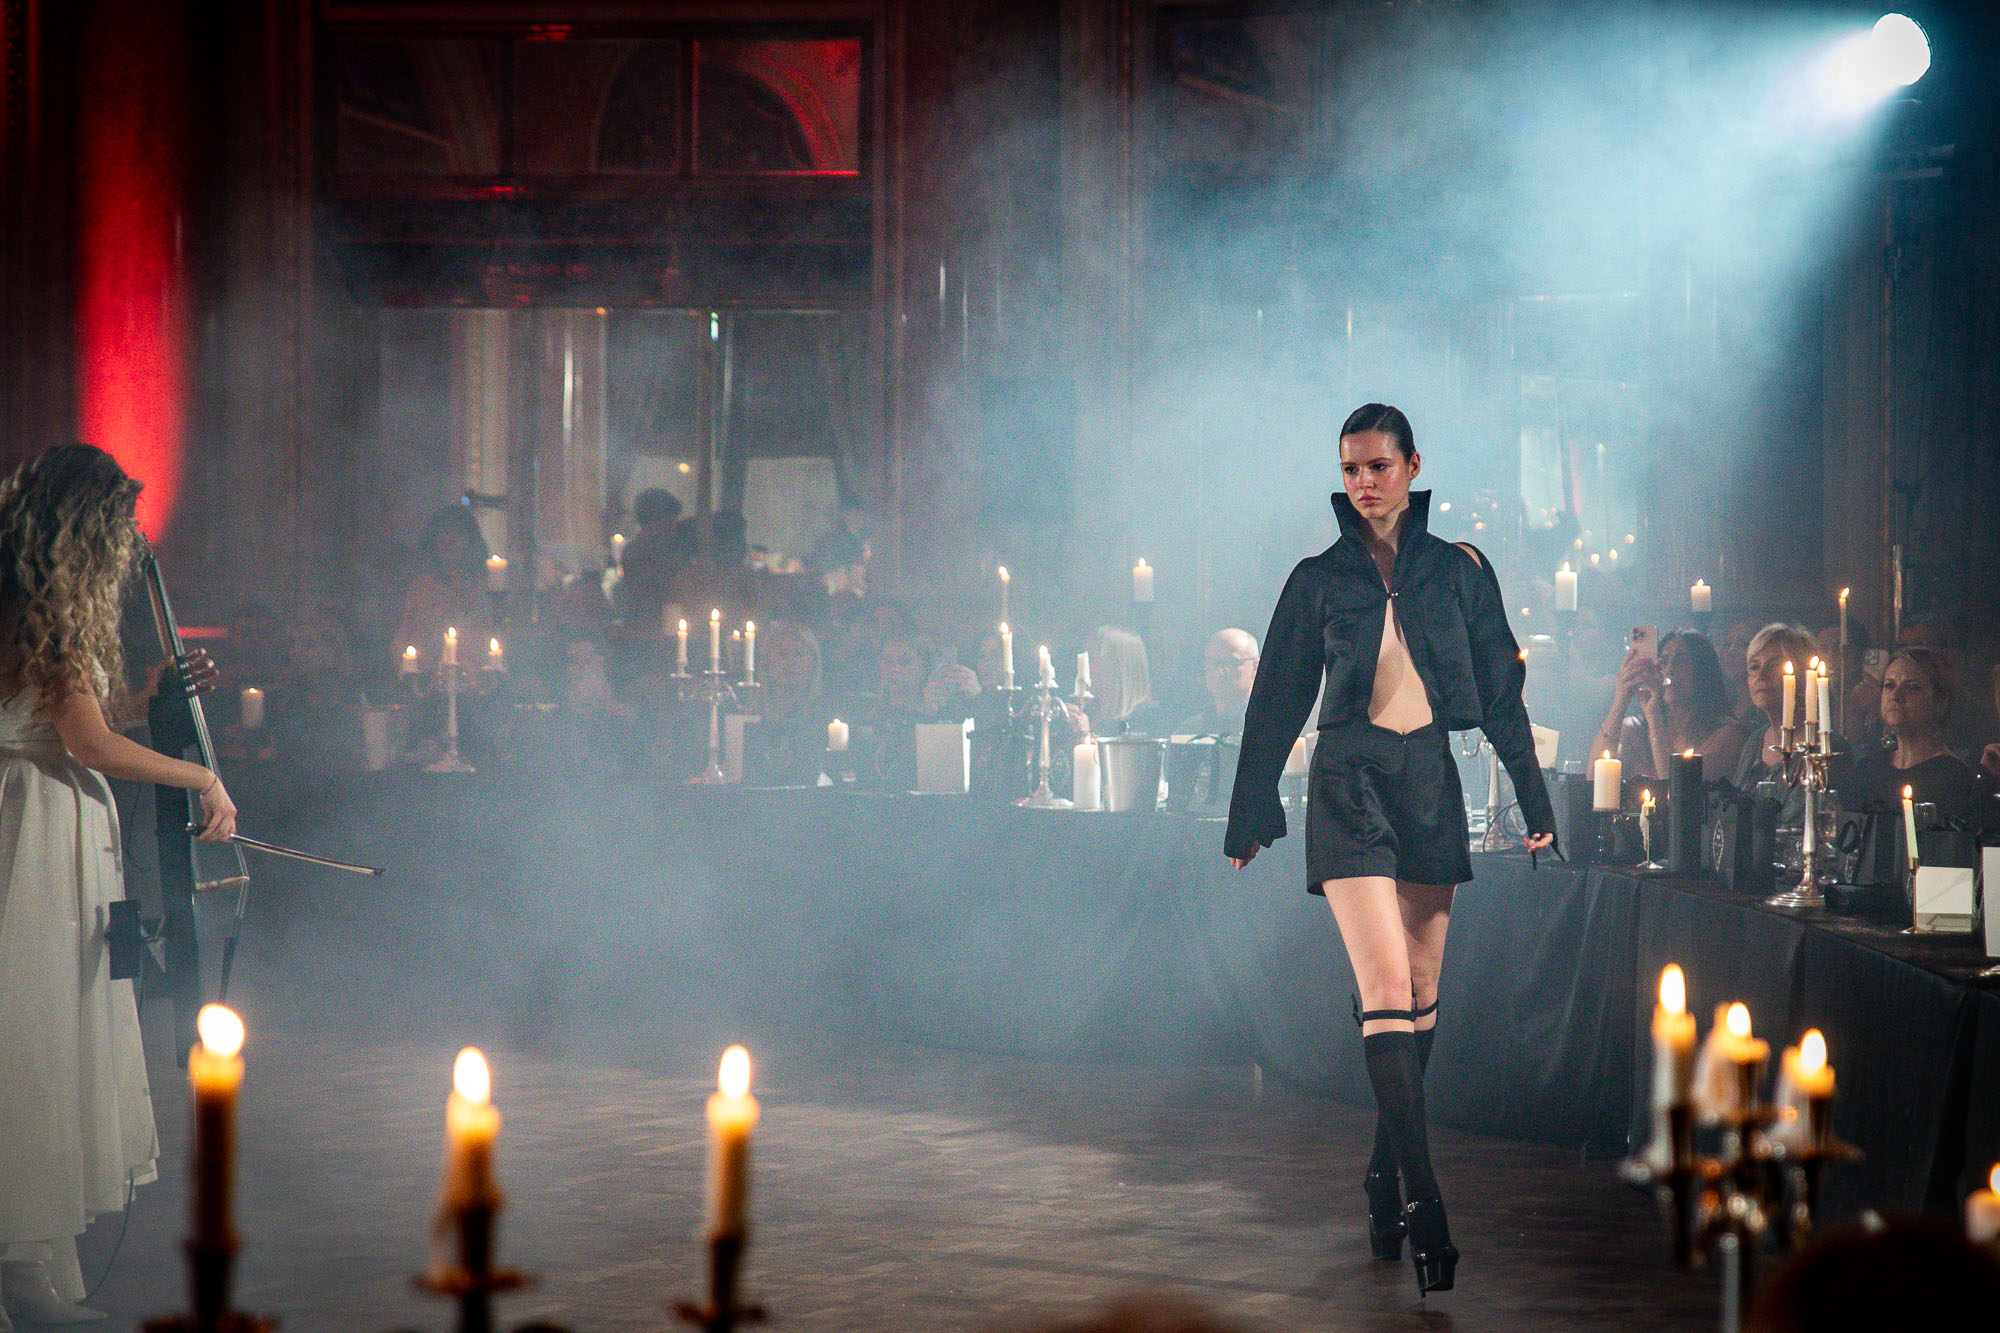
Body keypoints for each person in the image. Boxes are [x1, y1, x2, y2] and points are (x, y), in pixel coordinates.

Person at [1225, 404, 1556, 1297]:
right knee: (1383, 990)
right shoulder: (1316, 578)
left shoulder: (1458, 569)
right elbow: (1276, 697)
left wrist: (1535, 800)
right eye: (1350, 468)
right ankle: (1425, 1201)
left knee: (1417, 993)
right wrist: (1249, 812)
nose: (1363, 482)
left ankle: (1382, 1172)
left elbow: (1502, 691)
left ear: (1412, 464)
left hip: (1429, 783)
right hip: (1348, 783)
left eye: (1378, 465)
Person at [0, 445, 236, 1326]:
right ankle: (21, 1263)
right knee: (31, 1030)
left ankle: (36, 1255)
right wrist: (200, 776)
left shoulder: (26, 603)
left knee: (43, 1026)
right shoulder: (43, 614)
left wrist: (147, 698)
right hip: (31, 830)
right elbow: (86, 743)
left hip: (41, 818)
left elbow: (73, 719)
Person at [1841, 647, 1992, 826]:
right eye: (1889, 685)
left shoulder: (1954, 778)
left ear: (1940, 701)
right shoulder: (1868, 770)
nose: (1895, 696)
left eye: (1912, 688)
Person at [1589, 629, 1742, 780]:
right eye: (1663, 661)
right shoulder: (1634, 729)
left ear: (1703, 671)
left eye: (1680, 661)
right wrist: (1621, 700)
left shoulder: (1726, 735)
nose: (1669, 669)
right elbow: (1594, 779)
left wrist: (1654, 716)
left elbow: (1677, 786)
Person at [1728, 624, 1828, 810]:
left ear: (1803, 674)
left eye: (1774, 665)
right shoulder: (1755, 741)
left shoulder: (1823, 746)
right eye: (1754, 667)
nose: (1761, 675)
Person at [394, 504, 495, 666]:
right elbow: (401, 645)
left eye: (457, 534)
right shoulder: (421, 589)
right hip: (428, 673)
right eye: (444, 533)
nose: (450, 541)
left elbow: (489, 643)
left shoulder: (483, 589)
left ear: (470, 541)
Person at [614, 488, 685, 632]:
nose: (673, 527)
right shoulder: (637, 552)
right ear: (654, 521)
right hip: (648, 627)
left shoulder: (670, 546)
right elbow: (648, 593)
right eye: (669, 520)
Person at [1086, 626, 1170, 737]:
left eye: (1091, 658)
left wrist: (1083, 734)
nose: (1085, 666)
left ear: (1116, 666)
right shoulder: (1090, 712)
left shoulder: (1148, 718)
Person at [1178, 628, 1259, 736]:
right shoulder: (1190, 731)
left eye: (1231, 662)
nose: (1220, 671)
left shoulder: (1269, 724)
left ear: (1255, 667)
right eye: (1213, 663)